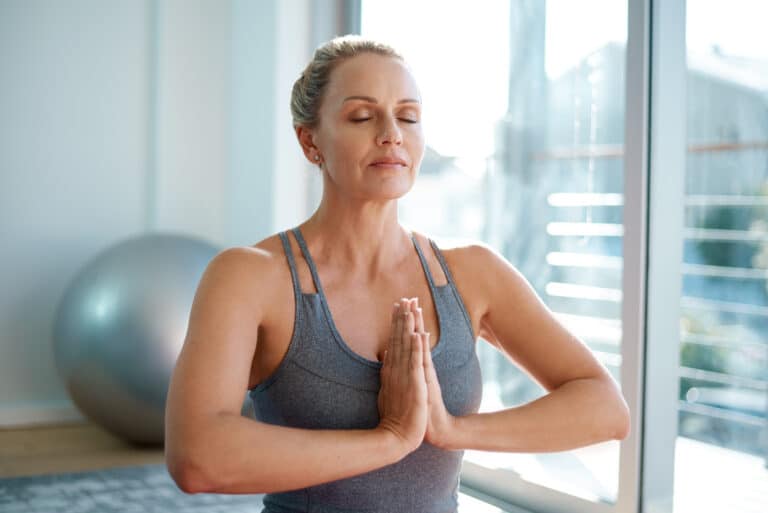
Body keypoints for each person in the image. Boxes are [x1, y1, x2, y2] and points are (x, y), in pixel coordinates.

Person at [164, 35, 630, 513]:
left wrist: (449, 429)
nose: (392, 134)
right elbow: (197, 458)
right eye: (362, 117)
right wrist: (390, 439)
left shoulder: (472, 273)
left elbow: (605, 409)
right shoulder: (249, 278)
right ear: (310, 141)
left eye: (408, 116)